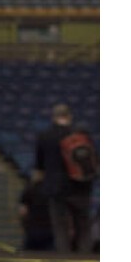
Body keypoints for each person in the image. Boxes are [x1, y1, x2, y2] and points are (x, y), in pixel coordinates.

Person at [31, 103, 96, 252]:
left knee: (61, 228)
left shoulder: (45, 136)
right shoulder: (81, 135)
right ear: (69, 116)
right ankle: (85, 260)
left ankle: (64, 261)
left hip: (56, 188)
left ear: (54, 117)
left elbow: (39, 166)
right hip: (81, 187)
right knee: (83, 226)